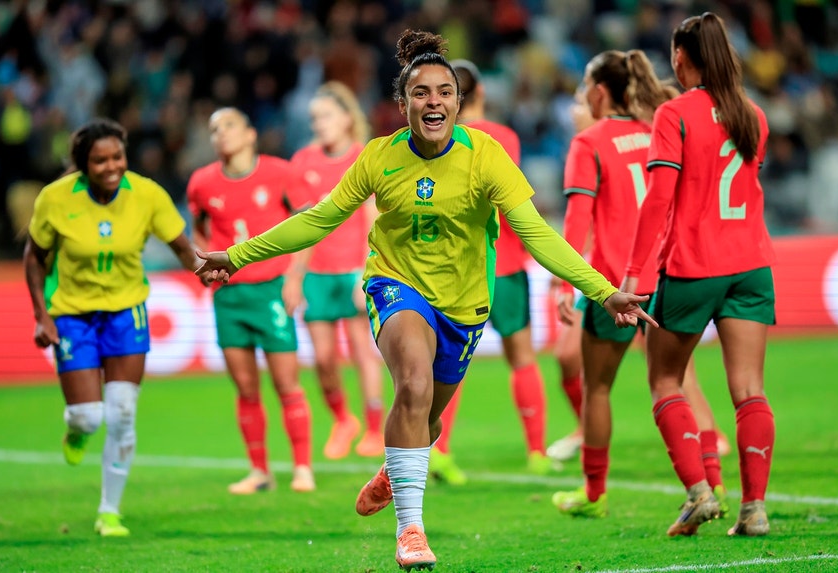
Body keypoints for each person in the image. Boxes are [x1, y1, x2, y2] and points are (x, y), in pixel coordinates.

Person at [195, 29, 655, 571]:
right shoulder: (379, 156)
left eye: (444, 92)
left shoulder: (485, 155)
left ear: (458, 103)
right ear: (403, 103)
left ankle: (395, 469)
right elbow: (319, 218)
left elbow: (535, 233)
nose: (433, 101)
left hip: (464, 304)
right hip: (395, 285)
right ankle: (410, 531)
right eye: (421, 92)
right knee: (412, 385)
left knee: (426, 420)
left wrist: (602, 291)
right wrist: (239, 255)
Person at [548, 49, 730, 520]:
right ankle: (713, 482)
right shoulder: (658, 129)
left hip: (614, 286)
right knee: (683, 383)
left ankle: (594, 494)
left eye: (584, 86)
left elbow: (577, 220)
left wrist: (564, 286)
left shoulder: (589, 142)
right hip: (668, 276)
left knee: (597, 388)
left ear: (599, 92)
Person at [623, 12, 775, 537]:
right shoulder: (753, 115)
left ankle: (699, 495)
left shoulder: (675, 113)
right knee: (750, 390)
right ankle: (754, 509)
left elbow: (658, 200)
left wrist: (632, 274)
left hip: (693, 266)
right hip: (752, 266)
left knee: (665, 379)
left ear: (681, 57)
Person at [23, 118, 199, 537]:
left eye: (117, 157)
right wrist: (41, 315)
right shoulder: (56, 198)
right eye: (100, 160)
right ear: (83, 164)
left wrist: (204, 269)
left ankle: (109, 511)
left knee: (121, 412)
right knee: (88, 417)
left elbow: (181, 246)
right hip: (73, 315)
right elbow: (34, 256)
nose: (111, 166)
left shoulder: (146, 193)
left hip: (126, 312)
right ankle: (76, 430)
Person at [426, 58, 552, 484]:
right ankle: (537, 452)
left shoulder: (436, 140)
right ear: (479, 93)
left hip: (455, 269)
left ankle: (440, 450)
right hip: (506, 262)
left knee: (449, 364)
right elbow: (507, 198)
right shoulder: (503, 137)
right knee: (522, 357)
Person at [186, 107, 315, 494]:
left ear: (249, 134)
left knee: (286, 383)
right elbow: (199, 229)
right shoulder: (201, 183)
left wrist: (295, 277)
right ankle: (260, 472)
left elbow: (307, 225)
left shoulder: (281, 173)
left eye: (229, 126)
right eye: (214, 129)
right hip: (229, 295)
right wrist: (203, 263)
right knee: (245, 387)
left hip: (271, 288)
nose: (221, 134)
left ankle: (302, 468)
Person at [282, 82, 385, 460]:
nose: (319, 123)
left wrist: (367, 271)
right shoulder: (303, 162)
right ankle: (343, 420)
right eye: (314, 118)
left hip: (353, 270)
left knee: (362, 350)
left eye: (325, 115)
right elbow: (301, 224)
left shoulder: (364, 157)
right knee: (323, 358)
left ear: (346, 117)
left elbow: (372, 218)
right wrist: (294, 277)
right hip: (316, 273)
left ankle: (374, 428)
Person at [546, 86, 596, 463]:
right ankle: (585, 429)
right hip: (598, 272)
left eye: (579, 103)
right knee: (567, 355)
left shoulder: (596, 145)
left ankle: (708, 434)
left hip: (636, 271)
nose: (573, 111)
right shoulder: (583, 147)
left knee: (669, 369)